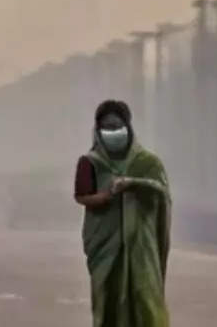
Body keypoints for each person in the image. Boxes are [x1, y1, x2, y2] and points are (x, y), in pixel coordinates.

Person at [74, 99, 172, 327]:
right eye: (107, 128)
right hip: (105, 249)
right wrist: (105, 197)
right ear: (98, 131)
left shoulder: (148, 163)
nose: (113, 132)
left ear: (128, 128)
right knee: (108, 304)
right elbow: (81, 195)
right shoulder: (90, 163)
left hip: (142, 250)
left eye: (117, 126)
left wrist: (134, 184)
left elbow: (162, 193)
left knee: (146, 302)